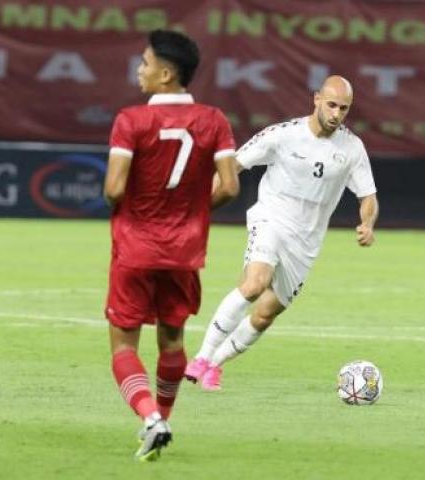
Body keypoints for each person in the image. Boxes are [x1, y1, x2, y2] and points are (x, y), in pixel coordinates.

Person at [184, 75, 379, 391]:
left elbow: (367, 196)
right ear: (316, 99)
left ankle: (214, 366)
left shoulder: (352, 148)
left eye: (343, 108)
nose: (336, 114)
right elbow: (233, 166)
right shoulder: (282, 135)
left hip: (306, 242)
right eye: (331, 105)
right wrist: (197, 204)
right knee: (254, 284)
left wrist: (367, 224)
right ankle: (202, 357)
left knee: (264, 315)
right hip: (271, 219)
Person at [103, 29, 238, 461]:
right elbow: (231, 186)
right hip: (184, 251)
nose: (139, 70)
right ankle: (163, 417)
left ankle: (149, 418)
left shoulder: (131, 120)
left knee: (124, 345)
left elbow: (113, 188)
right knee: (172, 342)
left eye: (144, 63)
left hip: (136, 248)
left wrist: (139, 206)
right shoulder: (214, 120)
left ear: (165, 73)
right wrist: (194, 209)